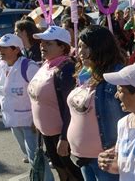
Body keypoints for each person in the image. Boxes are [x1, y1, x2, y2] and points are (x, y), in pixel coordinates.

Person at [0, 34, 54, 180]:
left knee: (35, 156)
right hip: (12, 120)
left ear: (16, 49)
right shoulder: (1, 65)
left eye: (4, 47)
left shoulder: (29, 67)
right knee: (29, 155)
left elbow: (41, 93)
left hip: (29, 121)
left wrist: (37, 119)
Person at [67, 25, 127, 180]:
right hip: (83, 157)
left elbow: (132, 117)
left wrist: (118, 148)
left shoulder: (117, 76)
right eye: (79, 46)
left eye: (87, 47)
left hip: (107, 159)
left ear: (101, 47)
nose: (81, 52)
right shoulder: (84, 73)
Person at [27, 26, 83, 181]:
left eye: (48, 43)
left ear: (62, 47)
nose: (42, 46)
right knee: (61, 171)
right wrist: (36, 121)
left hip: (61, 134)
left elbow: (69, 108)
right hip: (47, 132)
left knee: (73, 173)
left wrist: (64, 138)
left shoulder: (66, 69)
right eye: (42, 42)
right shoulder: (46, 64)